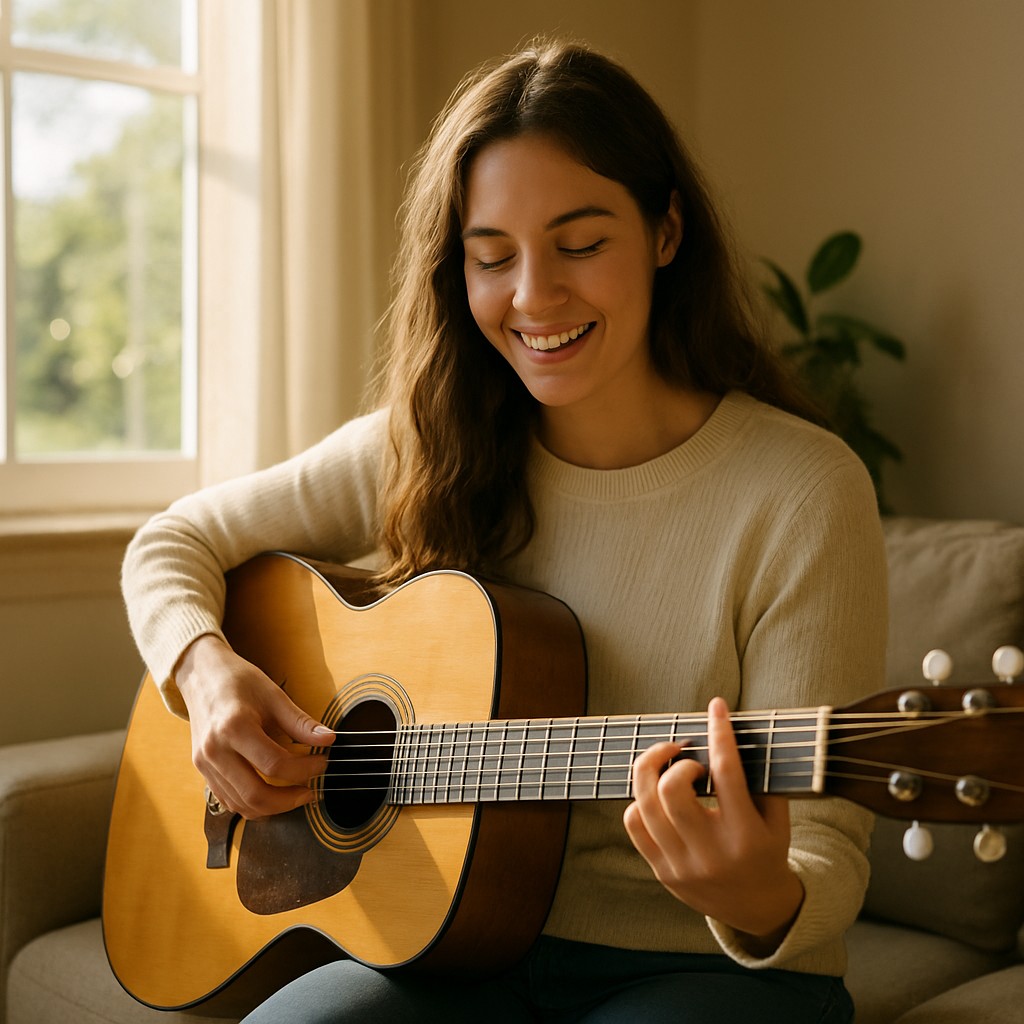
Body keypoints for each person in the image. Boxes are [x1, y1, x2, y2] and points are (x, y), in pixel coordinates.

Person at [121, 39, 887, 1024]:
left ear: (664, 231)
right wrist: (207, 673)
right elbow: (171, 542)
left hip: (709, 974)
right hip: (455, 948)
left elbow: (826, 847)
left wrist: (753, 891)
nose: (532, 294)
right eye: (492, 257)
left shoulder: (804, 489)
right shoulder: (430, 442)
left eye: (579, 243)